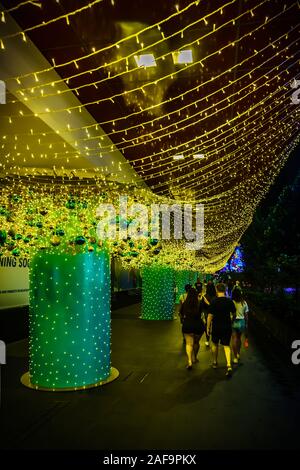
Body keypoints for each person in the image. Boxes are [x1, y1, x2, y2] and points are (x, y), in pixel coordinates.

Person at [206, 283, 236, 377]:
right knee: (226, 345)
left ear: (216, 290)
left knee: (215, 344)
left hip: (216, 326)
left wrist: (207, 327)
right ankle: (229, 365)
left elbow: (210, 316)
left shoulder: (214, 301)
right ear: (225, 290)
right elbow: (234, 313)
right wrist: (231, 321)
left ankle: (215, 362)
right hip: (227, 326)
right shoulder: (229, 301)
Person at [180, 288, 205, 370]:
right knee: (196, 342)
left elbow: (181, 314)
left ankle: (190, 361)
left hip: (187, 325)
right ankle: (195, 358)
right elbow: (203, 312)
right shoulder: (199, 303)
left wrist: (183, 320)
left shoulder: (185, 304)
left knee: (188, 344)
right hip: (198, 325)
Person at [231, 288, 249, 364]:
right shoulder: (244, 302)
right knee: (239, 338)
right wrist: (246, 323)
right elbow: (246, 315)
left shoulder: (232, 302)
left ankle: (235, 357)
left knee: (234, 339)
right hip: (242, 321)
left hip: (234, 321)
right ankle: (238, 354)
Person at [200, 281, 217, 347]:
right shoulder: (216, 297)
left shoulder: (205, 296)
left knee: (207, 327)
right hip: (215, 314)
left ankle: (207, 340)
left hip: (207, 313)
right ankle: (214, 339)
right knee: (215, 326)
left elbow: (202, 306)